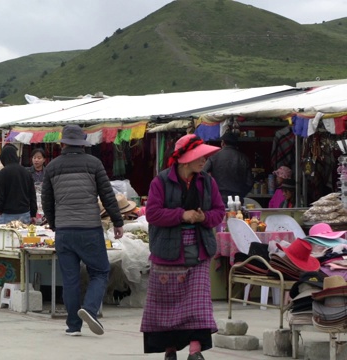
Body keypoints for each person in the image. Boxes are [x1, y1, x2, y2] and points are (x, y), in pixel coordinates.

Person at [141, 134, 226, 360]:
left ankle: (195, 350)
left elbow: (219, 212)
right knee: (167, 307)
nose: (204, 161)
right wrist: (182, 215)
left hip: (198, 251)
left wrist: (202, 218)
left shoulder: (208, 182)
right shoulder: (160, 182)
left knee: (197, 306)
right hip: (167, 252)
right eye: (199, 156)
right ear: (184, 160)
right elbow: (152, 213)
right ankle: (170, 350)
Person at [41, 124, 124, 337]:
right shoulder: (94, 163)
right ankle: (89, 308)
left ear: (62, 144)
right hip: (89, 228)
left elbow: (47, 202)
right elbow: (107, 195)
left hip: (65, 231)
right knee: (100, 271)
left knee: (70, 279)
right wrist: (117, 221)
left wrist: (54, 225)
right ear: (83, 144)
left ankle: (73, 326)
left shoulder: (52, 167)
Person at [203, 131, 253, 204]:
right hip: (237, 197)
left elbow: (202, 173)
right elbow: (249, 182)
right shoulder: (243, 158)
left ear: (222, 143)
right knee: (236, 215)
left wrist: (211, 190)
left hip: (218, 196)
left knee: (219, 215)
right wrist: (241, 194)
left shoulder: (214, 157)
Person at [0, 145, 37, 225]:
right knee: (22, 237)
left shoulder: (3, 172)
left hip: (7, 214)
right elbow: (32, 195)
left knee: (4, 237)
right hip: (24, 214)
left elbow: (0, 194)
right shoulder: (26, 172)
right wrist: (33, 214)